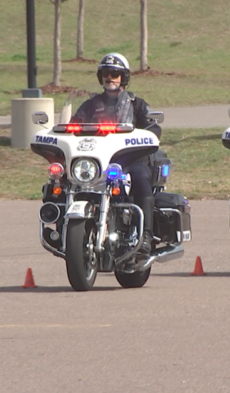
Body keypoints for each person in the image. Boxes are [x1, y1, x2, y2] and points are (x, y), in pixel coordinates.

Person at [70, 53, 161, 255]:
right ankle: (65, 229)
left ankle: (145, 235)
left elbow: (154, 128)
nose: (109, 78)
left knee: (140, 176)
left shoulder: (137, 104)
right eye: (105, 73)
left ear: (123, 78)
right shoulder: (90, 105)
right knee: (64, 180)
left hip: (130, 160)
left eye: (114, 73)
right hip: (98, 162)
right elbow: (73, 126)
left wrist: (147, 135)